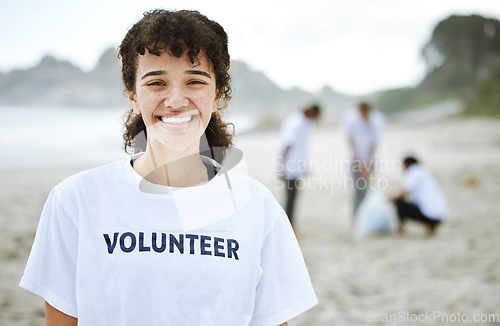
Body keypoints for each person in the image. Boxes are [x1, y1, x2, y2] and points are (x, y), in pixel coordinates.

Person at [19, 10, 317, 326]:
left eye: (195, 81)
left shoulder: (258, 208)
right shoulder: (75, 201)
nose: (176, 100)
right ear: (133, 95)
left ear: (217, 95)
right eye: (157, 82)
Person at [341, 102, 385, 222]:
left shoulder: (376, 122)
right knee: (357, 191)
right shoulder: (352, 121)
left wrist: (367, 164)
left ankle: (365, 218)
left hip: (370, 161)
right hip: (355, 161)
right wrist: (359, 163)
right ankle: (355, 219)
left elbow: (374, 144)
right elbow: (351, 142)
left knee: (366, 190)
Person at [278, 104, 320, 226]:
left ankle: (291, 225)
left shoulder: (305, 122)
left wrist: (304, 166)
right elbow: (286, 146)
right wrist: (280, 167)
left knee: (293, 198)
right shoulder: (296, 122)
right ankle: (288, 225)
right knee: (290, 199)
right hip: (289, 167)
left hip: (296, 167)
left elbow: (302, 148)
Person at [392, 156, 447, 236]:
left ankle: (401, 231)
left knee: (399, 203)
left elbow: (405, 193)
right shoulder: (424, 171)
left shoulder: (414, 172)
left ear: (407, 165)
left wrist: (390, 198)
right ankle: (431, 227)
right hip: (441, 215)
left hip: (430, 215)